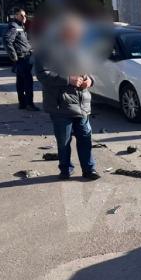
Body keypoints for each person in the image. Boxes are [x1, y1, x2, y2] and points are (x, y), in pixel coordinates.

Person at [35, 15, 100, 180]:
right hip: (60, 104)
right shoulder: (47, 48)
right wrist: (68, 79)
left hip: (82, 103)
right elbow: (42, 74)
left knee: (85, 138)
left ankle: (89, 169)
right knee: (64, 141)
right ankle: (65, 169)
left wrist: (90, 81)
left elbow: (92, 71)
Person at [3, 8, 38, 110]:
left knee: (21, 82)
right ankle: (29, 104)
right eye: (21, 15)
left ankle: (22, 103)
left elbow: (21, 42)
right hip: (22, 58)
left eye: (25, 15)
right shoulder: (14, 26)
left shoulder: (20, 27)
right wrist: (14, 56)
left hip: (25, 57)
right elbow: (7, 40)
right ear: (16, 16)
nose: (24, 17)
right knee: (27, 82)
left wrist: (31, 46)